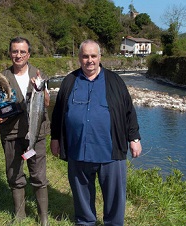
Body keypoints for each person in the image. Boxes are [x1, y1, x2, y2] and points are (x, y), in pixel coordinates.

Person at [50, 39, 142, 226]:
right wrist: (55, 138)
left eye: (93, 56)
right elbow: (58, 112)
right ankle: (85, 222)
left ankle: (113, 223)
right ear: (79, 58)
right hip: (79, 150)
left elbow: (128, 111)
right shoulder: (69, 81)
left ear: (100, 57)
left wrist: (134, 138)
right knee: (81, 193)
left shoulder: (115, 81)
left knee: (115, 197)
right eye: (85, 56)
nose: (89, 60)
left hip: (110, 152)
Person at [0, 37, 50, 226]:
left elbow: (47, 102)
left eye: (22, 52)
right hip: (11, 133)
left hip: (36, 133)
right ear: (10, 53)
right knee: (14, 175)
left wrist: (40, 90)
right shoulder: (1, 76)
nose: (19, 55)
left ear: (28, 54)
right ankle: (20, 216)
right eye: (15, 51)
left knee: (38, 175)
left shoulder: (38, 74)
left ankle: (44, 218)